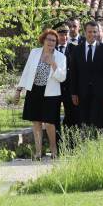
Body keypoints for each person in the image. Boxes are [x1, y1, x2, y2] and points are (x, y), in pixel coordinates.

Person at [15, 29, 67, 159]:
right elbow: (26, 71)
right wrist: (18, 90)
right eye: (49, 39)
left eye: (54, 40)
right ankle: (38, 152)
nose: (51, 42)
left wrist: (53, 63)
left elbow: (62, 78)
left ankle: (54, 150)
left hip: (51, 94)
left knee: (49, 123)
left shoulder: (61, 57)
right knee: (36, 122)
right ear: (43, 40)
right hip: (34, 91)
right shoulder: (34, 53)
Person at [69, 21, 103, 134]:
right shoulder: (77, 50)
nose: (92, 34)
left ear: (98, 32)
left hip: (100, 93)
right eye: (89, 32)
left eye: (95, 32)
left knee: (98, 122)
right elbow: (73, 73)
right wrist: (73, 93)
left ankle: (98, 144)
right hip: (82, 93)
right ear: (84, 32)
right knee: (83, 122)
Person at [54, 24, 79, 139]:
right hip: (54, 88)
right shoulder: (51, 49)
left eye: (66, 35)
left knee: (71, 116)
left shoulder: (75, 48)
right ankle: (56, 142)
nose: (64, 37)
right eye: (61, 35)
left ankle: (70, 142)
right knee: (54, 116)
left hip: (70, 89)